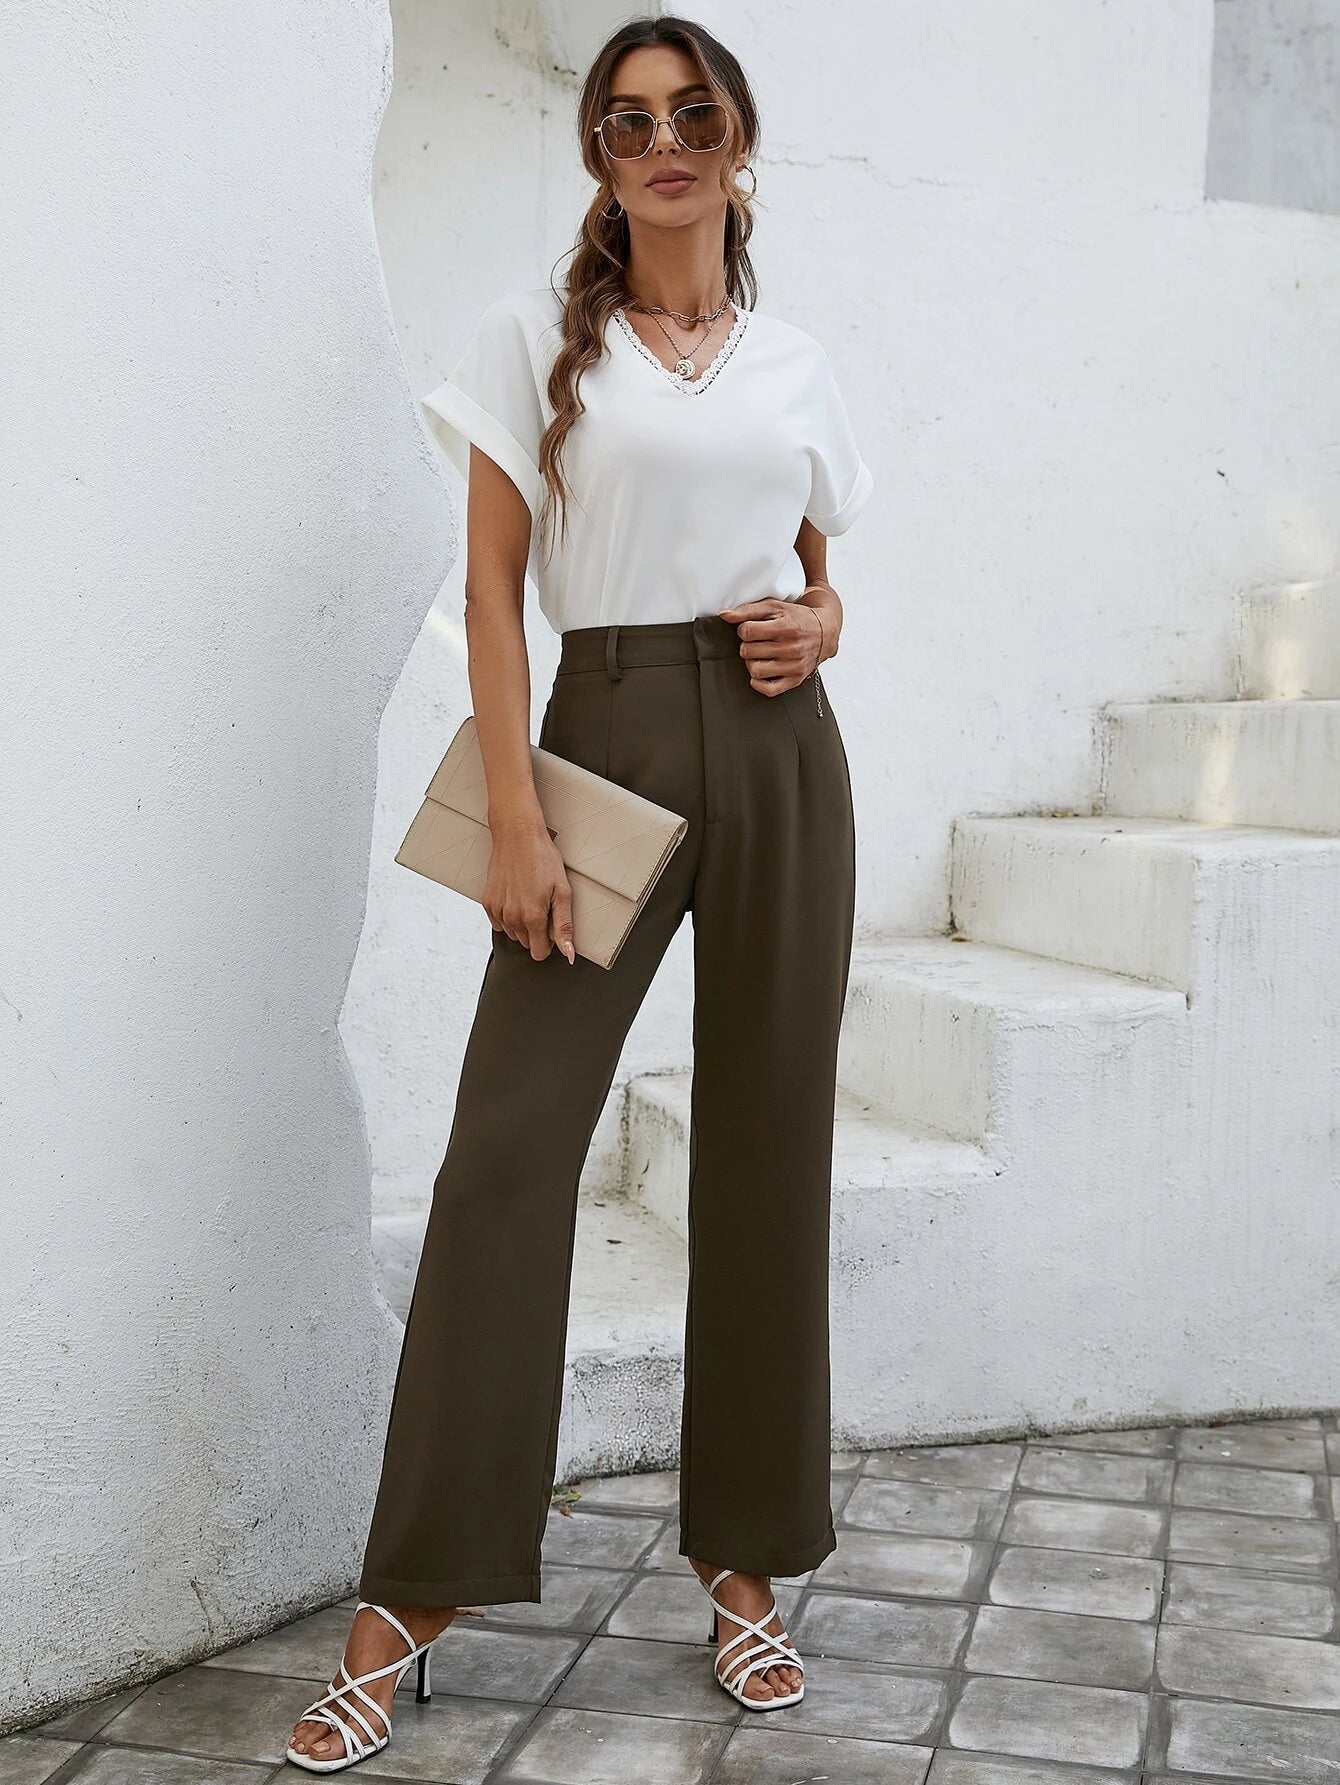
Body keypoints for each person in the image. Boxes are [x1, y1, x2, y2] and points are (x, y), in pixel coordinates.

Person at [287, 12, 874, 1771]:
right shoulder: (533, 336)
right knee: (506, 1156)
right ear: (599, 158)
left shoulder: (795, 365)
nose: (663, 144)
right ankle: (412, 1594)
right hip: (597, 735)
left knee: (766, 1155)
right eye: (628, 122)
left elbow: (820, 582)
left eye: (694, 116)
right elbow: (488, 592)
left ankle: (745, 1563)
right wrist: (519, 821)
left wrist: (821, 624)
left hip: (780, 757)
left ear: (740, 143)